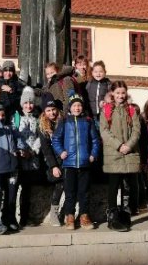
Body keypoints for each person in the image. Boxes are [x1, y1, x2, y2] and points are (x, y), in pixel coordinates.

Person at [52, 93, 100, 230]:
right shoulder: (64, 121)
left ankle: (84, 216)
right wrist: (61, 152)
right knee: (70, 192)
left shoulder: (88, 121)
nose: (77, 108)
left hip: (85, 163)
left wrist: (93, 154)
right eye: (74, 105)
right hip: (69, 164)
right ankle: (70, 216)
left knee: (84, 192)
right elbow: (55, 139)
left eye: (79, 105)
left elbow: (95, 140)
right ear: (70, 107)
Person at [100, 81, 141, 231]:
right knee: (113, 186)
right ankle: (112, 216)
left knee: (128, 187)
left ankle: (125, 215)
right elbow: (104, 131)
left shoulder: (131, 110)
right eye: (117, 93)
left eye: (123, 93)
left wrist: (129, 145)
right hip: (114, 154)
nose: (120, 96)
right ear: (112, 94)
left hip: (129, 154)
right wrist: (119, 145)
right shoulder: (107, 110)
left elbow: (137, 130)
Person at [0, 101, 27, 234]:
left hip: (12, 167)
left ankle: (9, 218)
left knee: (11, 196)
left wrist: (21, 148)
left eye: (3, 115)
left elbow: (19, 139)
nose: (1, 117)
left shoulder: (10, 128)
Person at [13, 86, 44, 227]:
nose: (28, 106)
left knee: (27, 190)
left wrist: (33, 151)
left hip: (31, 160)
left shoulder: (37, 119)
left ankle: (25, 218)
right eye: (26, 103)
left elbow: (40, 137)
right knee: (15, 189)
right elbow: (14, 135)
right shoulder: (17, 118)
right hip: (19, 159)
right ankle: (13, 217)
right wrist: (20, 150)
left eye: (31, 103)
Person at [39, 98, 64, 226]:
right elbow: (46, 149)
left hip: (66, 158)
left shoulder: (63, 122)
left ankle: (66, 213)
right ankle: (55, 214)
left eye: (53, 109)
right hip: (53, 161)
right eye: (48, 110)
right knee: (59, 185)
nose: (52, 113)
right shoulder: (43, 127)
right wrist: (54, 166)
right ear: (44, 112)